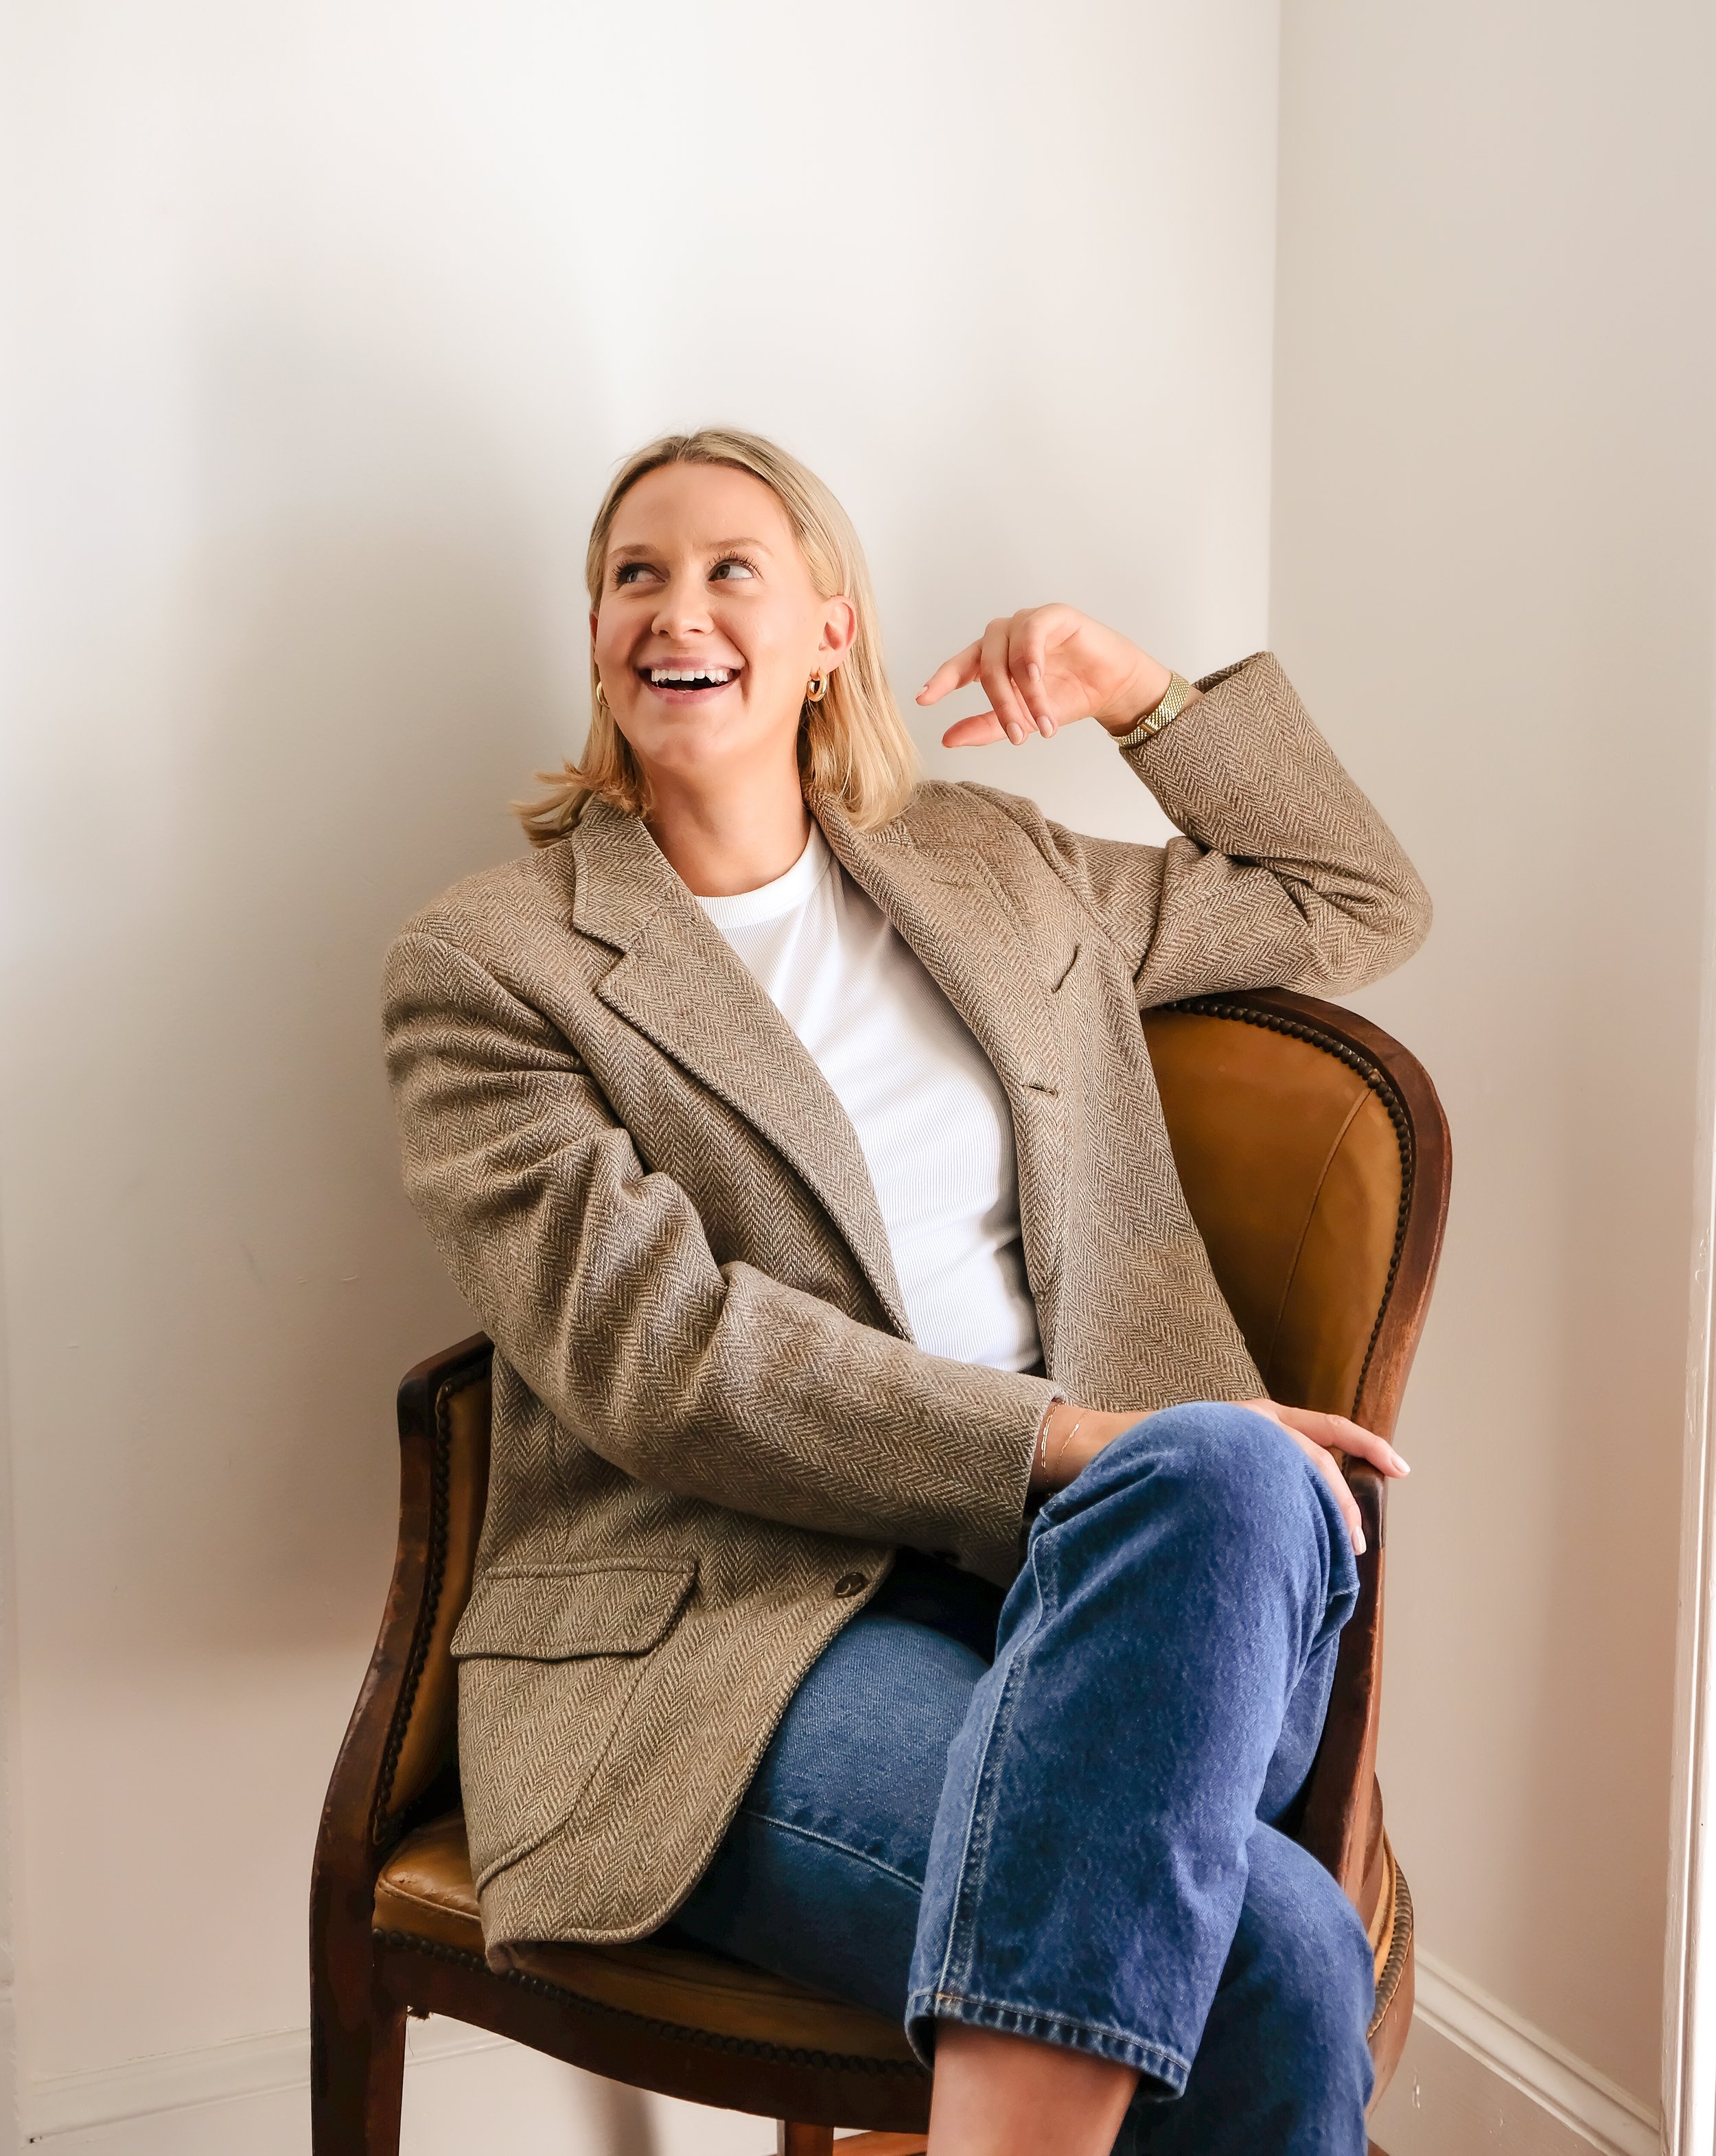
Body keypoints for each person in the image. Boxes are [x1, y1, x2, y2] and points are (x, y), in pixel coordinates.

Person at [382, 427, 1430, 2156]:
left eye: (731, 568)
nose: (674, 607)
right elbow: (655, 1353)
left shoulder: (991, 862)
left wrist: (1135, 691)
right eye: (634, 575)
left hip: (1143, 1575)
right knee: (1275, 1954)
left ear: (829, 633)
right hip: (747, 1627)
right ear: (597, 639)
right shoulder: (495, 961)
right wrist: (1064, 1439)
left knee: (1229, 1462)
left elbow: (1354, 898)